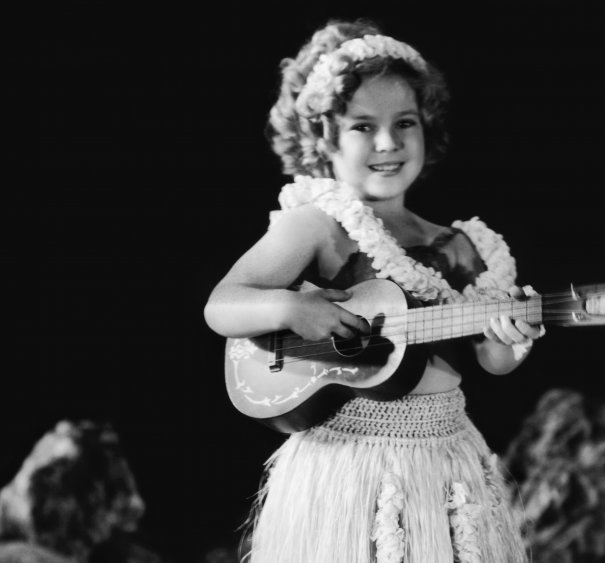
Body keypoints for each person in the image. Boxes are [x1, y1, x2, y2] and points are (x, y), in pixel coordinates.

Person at [204, 19, 542, 563]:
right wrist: (293, 307)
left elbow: (493, 361)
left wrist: (513, 336)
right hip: (347, 463)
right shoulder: (316, 225)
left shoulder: (460, 245)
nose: (389, 143)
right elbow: (221, 305)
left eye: (405, 122)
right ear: (325, 138)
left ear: (427, 127)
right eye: (363, 126)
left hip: (444, 459)